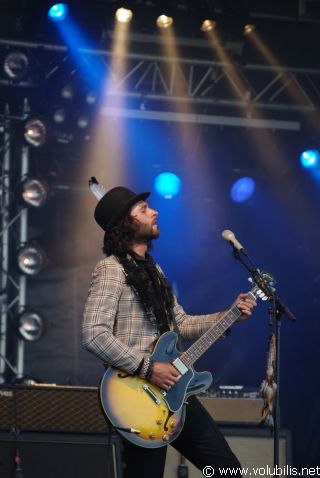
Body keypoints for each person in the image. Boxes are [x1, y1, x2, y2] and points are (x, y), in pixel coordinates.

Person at [82, 185, 257, 478]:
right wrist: (149, 368)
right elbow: (94, 334)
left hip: (177, 392)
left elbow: (182, 324)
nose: (155, 211)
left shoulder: (155, 270)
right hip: (137, 397)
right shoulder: (111, 269)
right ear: (126, 224)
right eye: (143, 210)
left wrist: (229, 316)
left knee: (228, 470)